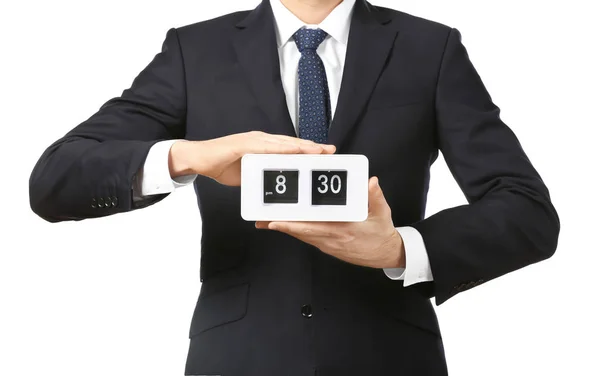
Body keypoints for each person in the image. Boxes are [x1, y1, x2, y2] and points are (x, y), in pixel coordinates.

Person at [28, 0, 560, 374]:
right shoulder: (197, 50)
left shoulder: (430, 47)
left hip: (390, 355)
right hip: (239, 357)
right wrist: (192, 156)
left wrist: (399, 247)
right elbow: (56, 179)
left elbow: (527, 211)